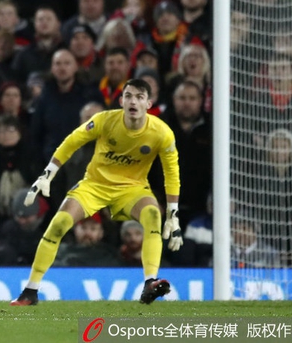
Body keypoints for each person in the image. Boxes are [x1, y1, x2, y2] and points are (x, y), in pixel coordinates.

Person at [11, 78, 181, 306]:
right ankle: (30, 292)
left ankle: (150, 282)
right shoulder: (104, 120)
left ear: (148, 104)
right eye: (129, 96)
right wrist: (48, 173)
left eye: (139, 97)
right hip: (95, 185)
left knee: (152, 215)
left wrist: (173, 211)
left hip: (132, 189)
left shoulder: (162, 133)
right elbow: (72, 141)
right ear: (121, 101)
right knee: (59, 223)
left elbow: (172, 172)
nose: (133, 101)